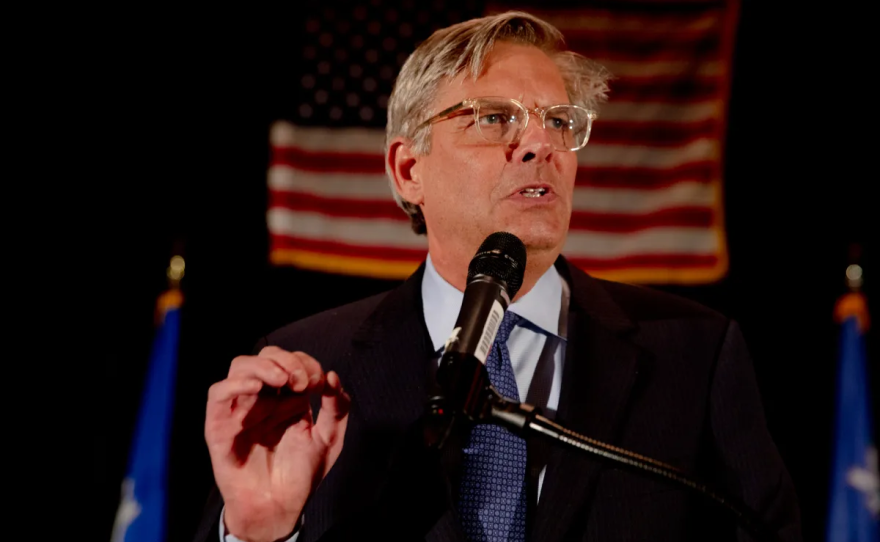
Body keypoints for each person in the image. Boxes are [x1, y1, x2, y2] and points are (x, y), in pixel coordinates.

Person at [192, 11, 802, 542]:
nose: (541, 144)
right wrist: (259, 535)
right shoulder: (309, 368)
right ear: (409, 171)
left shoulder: (695, 354)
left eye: (560, 121)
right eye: (493, 118)